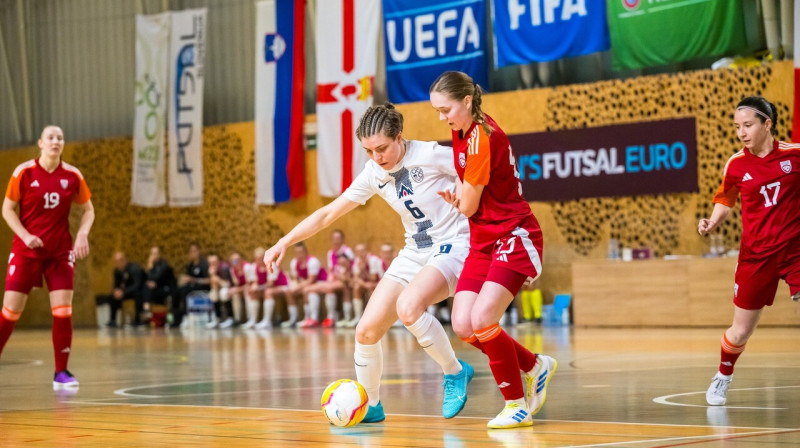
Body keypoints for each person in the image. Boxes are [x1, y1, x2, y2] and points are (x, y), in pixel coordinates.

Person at [264, 103, 474, 422]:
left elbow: (475, 166)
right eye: (368, 151)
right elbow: (327, 214)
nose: (376, 157)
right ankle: (371, 405)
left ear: (399, 137)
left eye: (382, 148)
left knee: (408, 309)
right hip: (415, 250)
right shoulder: (374, 173)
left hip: (455, 245)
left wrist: (463, 190)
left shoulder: (430, 154)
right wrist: (284, 241)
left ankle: (455, 371)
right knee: (365, 331)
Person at [430, 71, 557, 429]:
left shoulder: (482, 138)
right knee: (463, 325)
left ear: (467, 101)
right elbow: (464, 186)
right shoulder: (461, 129)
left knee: (484, 319)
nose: (442, 118)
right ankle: (534, 365)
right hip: (483, 240)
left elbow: (468, 205)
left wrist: (458, 201)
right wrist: (460, 195)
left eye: (445, 110)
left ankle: (516, 405)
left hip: (513, 234)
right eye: (437, 111)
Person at [698, 96, 800, 405]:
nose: (741, 133)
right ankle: (723, 375)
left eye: (747, 125)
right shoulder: (736, 164)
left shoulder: (794, 155)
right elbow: (725, 199)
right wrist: (712, 221)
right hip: (756, 256)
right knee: (741, 331)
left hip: (795, 251)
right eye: (737, 127)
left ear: (767, 124)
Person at [0, 125, 94, 390]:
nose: (56, 141)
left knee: (63, 309)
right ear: (40, 143)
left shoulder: (72, 175)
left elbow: (88, 210)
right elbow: (7, 210)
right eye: (50, 137)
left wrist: (82, 234)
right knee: (10, 311)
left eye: (60, 138)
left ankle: (61, 373)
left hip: (59, 252)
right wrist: (25, 235)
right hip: (26, 250)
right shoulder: (24, 172)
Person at [338, 243, 382, 328]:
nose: (360, 253)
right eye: (358, 252)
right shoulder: (357, 261)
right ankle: (358, 317)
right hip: (368, 283)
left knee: (371, 288)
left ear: (367, 251)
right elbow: (356, 278)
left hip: (380, 282)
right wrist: (364, 284)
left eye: (362, 251)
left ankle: (375, 317)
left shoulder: (373, 260)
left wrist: (363, 270)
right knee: (357, 287)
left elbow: (373, 278)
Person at [287, 243, 328, 328]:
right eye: (297, 252)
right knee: (289, 292)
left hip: (321, 282)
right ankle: (293, 319)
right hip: (305, 284)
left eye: (301, 252)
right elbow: (295, 278)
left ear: (306, 252)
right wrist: (293, 286)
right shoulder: (294, 262)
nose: (299, 254)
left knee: (307, 290)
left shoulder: (312, 261)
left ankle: (312, 318)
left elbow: (312, 280)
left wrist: (298, 286)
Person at [100, 251, 145, 327]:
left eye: (119, 261)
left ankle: (138, 320)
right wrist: (116, 291)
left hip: (137, 291)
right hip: (125, 292)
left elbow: (137, 285)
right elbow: (116, 284)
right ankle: (113, 320)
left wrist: (123, 292)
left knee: (138, 295)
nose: (117, 263)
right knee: (112, 296)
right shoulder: (117, 271)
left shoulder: (134, 268)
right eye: (115, 261)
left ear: (124, 260)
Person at [172, 243, 210, 327]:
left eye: (195, 251)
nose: (193, 253)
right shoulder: (190, 265)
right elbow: (188, 278)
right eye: (191, 251)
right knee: (175, 292)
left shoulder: (204, 264)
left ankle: (187, 316)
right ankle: (176, 319)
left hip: (202, 287)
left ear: (199, 251)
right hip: (191, 286)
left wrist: (194, 280)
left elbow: (208, 280)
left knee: (185, 291)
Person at [141, 245, 176, 324]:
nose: (154, 256)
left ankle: (146, 310)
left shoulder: (164, 264)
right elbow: (149, 279)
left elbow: (157, 277)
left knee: (147, 288)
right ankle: (146, 311)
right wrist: (150, 283)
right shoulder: (154, 265)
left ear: (160, 254)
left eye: (156, 253)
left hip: (167, 289)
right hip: (157, 289)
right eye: (152, 254)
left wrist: (150, 267)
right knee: (145, 287)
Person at [206, 254, 234, 329]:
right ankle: (217, 318)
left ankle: (230, 318)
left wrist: (217, 279)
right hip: (219, 288)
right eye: (210, 263)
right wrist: (212, 276)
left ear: (218, 261)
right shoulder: (211, 270)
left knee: (223, 293)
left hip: (230, 287)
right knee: (213, 294)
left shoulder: (224, 268)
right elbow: (213, 286)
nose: (212, 264)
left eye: (214, 262)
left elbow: (227, 284)